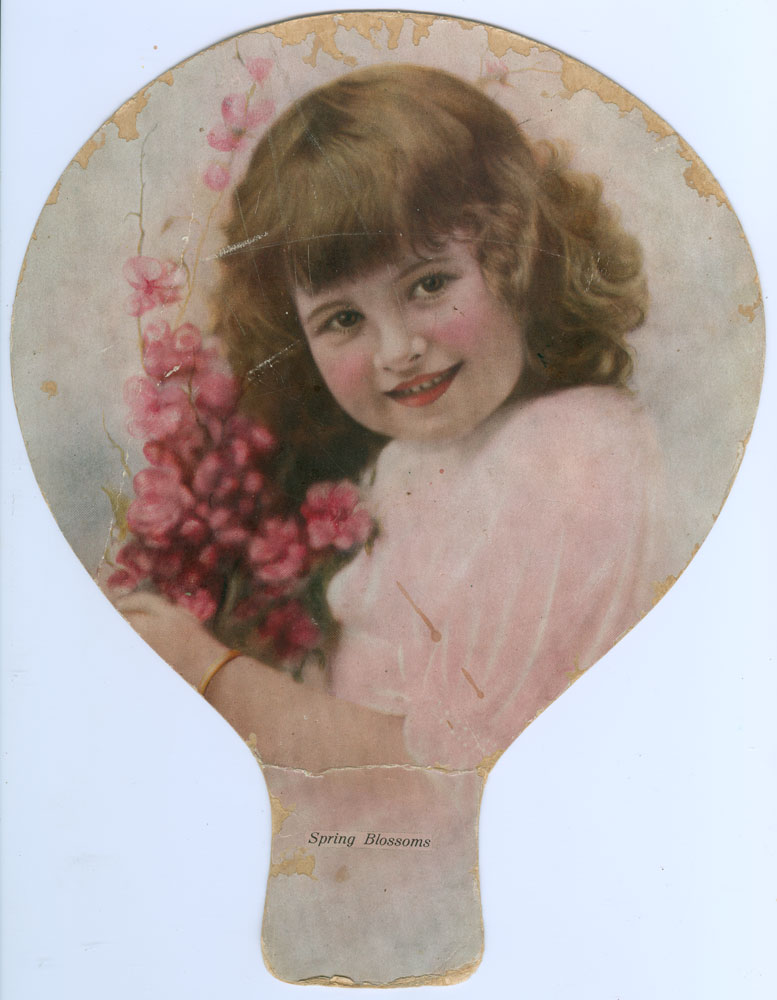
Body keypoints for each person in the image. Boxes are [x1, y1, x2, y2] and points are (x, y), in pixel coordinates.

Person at [118, 64, 665, 773]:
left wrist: (206, 670)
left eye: (429, 284)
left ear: (516, 258)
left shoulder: (568, 449)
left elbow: (449, 782)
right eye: (343, 318)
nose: (398, 350)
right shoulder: (408, 463)